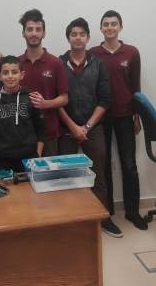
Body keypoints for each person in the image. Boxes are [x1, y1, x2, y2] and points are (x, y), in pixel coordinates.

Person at [57, 18, 119, 235]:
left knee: (98, 174)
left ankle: (103, 218)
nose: (78, 38)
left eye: (82, 34)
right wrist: (73, 127)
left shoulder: (98, 64)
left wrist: (87, 126)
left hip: (94, 127)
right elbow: (57, 101)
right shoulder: (58, 64)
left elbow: (105, 100)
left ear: (88, 37)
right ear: (68, 38)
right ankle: (71, 221)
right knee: (66, 176)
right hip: (66, 128)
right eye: (73, 34)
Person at [90, 10, 147, 235]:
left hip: (125, 115)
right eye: (106, 24)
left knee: (129, 164)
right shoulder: (93, 53)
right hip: (101, 117)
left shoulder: (132, 52)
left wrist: (137, 116)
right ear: (101, 28)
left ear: (120, 27)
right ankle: (107, 211)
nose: (110, 28)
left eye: (114, 24)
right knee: (103, 165)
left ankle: (133, 212)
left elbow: (136, 88)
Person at [18, 9, 68, 155]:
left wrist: (46, 104)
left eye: (38, 29)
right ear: (23, 33)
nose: (34, 33)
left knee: (49, 170)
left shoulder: (56, 63)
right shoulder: (16, 64)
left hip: (48, 132)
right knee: (23, 170)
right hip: (22, 132)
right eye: (29, 29)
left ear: (44, 33)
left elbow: (64, 98)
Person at [0, 56, 44, 172]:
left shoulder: (32, 98)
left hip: (29, 158)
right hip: (0, 160)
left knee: (28, 185)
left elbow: (40, 129)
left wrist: (38, 155)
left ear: (22, 75)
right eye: (5, 73)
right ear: (0, 76)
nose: (10, 76)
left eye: (14, 72)